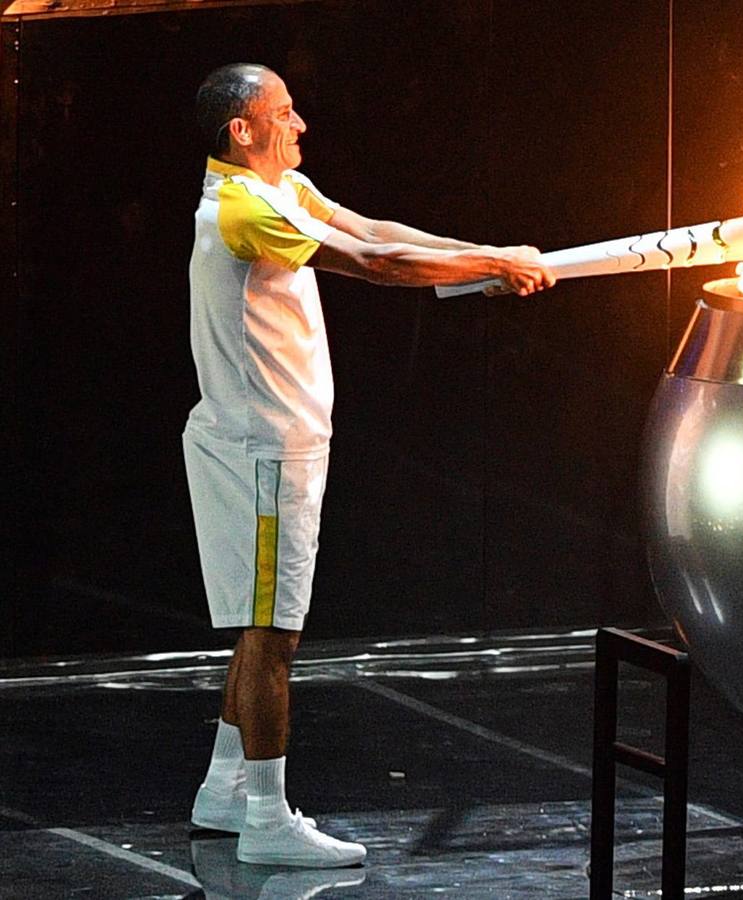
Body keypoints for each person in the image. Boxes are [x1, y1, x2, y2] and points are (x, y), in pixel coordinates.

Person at [183, 62, 554, 868]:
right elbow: (376, 267)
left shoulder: (285, 188)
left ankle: (223, 791)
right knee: (273, 635)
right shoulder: (244, 210)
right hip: (262, 453)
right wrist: (491, 263)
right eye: (283, 114)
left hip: (270, 445)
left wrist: (491, 256)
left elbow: (382, 233)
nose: (301, 124)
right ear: (241, 130)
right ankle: (267, 820)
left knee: (259, 628)